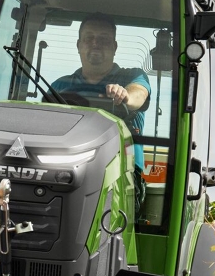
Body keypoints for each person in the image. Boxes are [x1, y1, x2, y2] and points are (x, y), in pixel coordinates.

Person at [48, 15, 150, 170]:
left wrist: (125, 95)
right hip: (67, 166)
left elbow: (139, 94)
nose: (95, 44)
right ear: (78, 45)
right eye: (89, 38)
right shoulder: (60, 86)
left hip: (123, 171)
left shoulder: (133, 76)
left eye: (104, 40)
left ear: (114, 47)